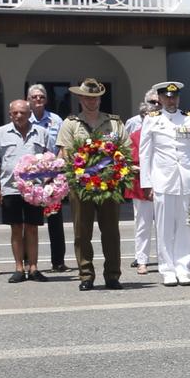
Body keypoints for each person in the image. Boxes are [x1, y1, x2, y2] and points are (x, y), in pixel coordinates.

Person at [57, 78, 126, 291]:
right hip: (81, 186)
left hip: (109, 185)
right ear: (79, 98)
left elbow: (125, 150)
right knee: (82, 232)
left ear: (100, 98)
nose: (91, 101)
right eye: (87, 97)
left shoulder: (114, 122)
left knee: (111, 231)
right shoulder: (71, 123)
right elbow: (66, 154)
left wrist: (110, 172)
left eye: (95, 98)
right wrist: (85, 174)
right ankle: (86, 275)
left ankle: (112, 275)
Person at [139, 82, 190, 287]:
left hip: (186, 180)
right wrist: (147, 182)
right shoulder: (152, 120)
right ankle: (167, 269)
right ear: (160, 98)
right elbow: (145, 153)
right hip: (163, 180)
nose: (171, 100)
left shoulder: (189, 119)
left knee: (186, 227)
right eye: (167, 97)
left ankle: (183, 267)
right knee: (164, 227)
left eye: (174, 97)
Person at [0, 100, 50, 283]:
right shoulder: (0, 133)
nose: (19, 115)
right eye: (15, 113)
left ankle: (34, 268)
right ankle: (19, 268)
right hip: (10, 188)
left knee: (32, 228)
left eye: (22, 112)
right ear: (10, 114)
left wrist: (49, 185)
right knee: (16, 228)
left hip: (34, 189)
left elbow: (48, 160)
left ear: (30, 113)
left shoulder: (42, 133)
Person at [27, 84, 69, 272]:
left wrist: (53, 171)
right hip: (31, 177)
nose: (38, 99)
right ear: (28, 99)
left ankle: (58, 261)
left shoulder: (55, 120)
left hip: (52, 177)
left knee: (55, 221)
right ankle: (28, 262)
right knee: (29, 221)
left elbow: (62, 146)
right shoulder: (23, 118)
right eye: (34, 97)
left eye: (41, 96)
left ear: (46, 99)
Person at [124, 102, 153, 276]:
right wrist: (137, 168)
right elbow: (126, 162)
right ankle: (142, 260)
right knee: (143, 224)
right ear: (142, 117)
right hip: (140, 185)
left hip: (164, 184)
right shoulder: (134, 136)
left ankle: (167, 260)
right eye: (147, 115)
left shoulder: (164, 134)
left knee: (167, 225)